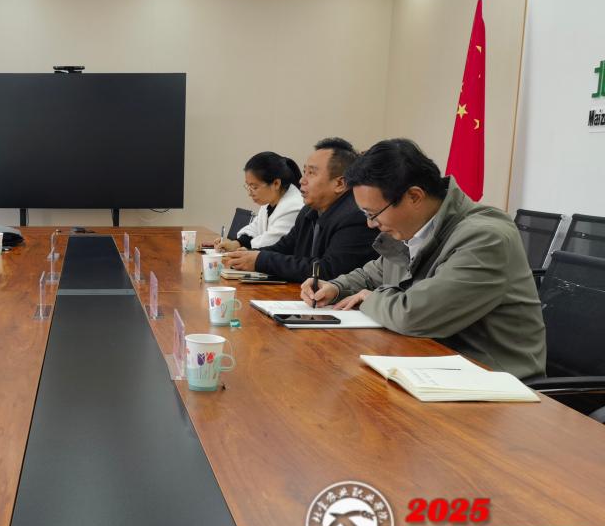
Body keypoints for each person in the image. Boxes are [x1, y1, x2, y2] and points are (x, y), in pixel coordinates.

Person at [301, 138, 546, 379]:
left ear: (414, 196)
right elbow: (372, 274)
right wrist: (336, 287)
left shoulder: (485, 238)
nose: (370, 224)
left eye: (373, 213)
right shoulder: (410, 227)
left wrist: (371, 298)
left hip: (494, 380)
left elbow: (413, 315)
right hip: (434, 364)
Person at [222, 137, 378, 281]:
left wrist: (261, 260)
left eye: (311, 173)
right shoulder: (308, 211)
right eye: (304, 172)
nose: (302, 180)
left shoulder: (356, 216)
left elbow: (329, 270)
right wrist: (248, 255)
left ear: (339, 184)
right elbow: (284, 248)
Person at [214, 152, 304, 252]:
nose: (250, 193)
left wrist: (245, 249)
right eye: (248, 186)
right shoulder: (270, 201)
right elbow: (255, 227)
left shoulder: (293, 207)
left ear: (276, 183)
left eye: (254, 187)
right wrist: (236, 243)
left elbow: (271, 243)